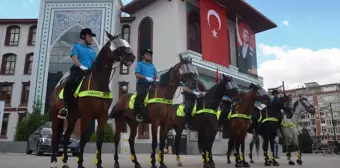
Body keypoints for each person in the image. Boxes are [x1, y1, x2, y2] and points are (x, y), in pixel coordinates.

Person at [57, 28, 97, 119]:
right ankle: (65, 108)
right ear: (83, 36)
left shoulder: (92, 51)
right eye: (89, 36)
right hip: (78, 71)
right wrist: (81, 66)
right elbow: (74, 58)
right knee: (70, 82)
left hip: (89, 72)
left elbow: (95, 63)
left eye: (92, 37)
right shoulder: (76, 46)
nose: (91, 38)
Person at [134, 49, 159, 122]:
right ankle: (138, 114)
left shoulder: (152, 66)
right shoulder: (139, 64)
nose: (149, 56)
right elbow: (137, 75)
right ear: (143, 56)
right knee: (141, 96)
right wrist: (146, 77)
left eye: (150, 55)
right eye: (147, 54)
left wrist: (157, 80)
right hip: (142, 84)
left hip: (151, 84)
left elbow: (156, 76)